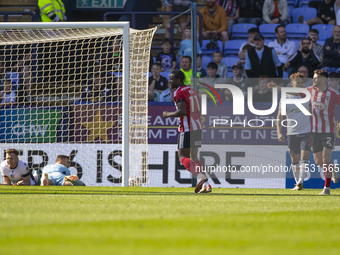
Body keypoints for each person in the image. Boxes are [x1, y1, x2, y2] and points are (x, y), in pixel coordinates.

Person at [268, 69, 340, 195]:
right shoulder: (309, 91)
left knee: (325, 158)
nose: (314, 79)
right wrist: (277, 87)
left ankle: (326, 189)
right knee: (318, 161)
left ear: (323, 79)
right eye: (313, 77)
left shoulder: (333, 93)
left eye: (316, 77)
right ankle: (332, 170)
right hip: (314, 131)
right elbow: (293, 92)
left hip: (328, 130)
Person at [162, 70, 212, 193]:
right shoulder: (191, 90)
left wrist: (168, 114)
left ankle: (201, 177)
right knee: (194, 156)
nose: (170, 81)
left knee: (182, 156)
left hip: (187, 128)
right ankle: (207, 185)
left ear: (179, 80)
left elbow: (182, 111)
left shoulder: (178, 92)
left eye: (172, 78)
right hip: (197, 126)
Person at [276, 73, 311, 190]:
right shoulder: (286, 97)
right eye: (297, 82)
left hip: (306, 131)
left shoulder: (307, 95)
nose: (300, 84)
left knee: (304, 156)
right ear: (292, 84)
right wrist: (279, 132)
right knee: (294, 158)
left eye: (301, 82)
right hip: (291, 132)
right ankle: (298, 183)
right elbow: (280, 115)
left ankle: (301, 181)